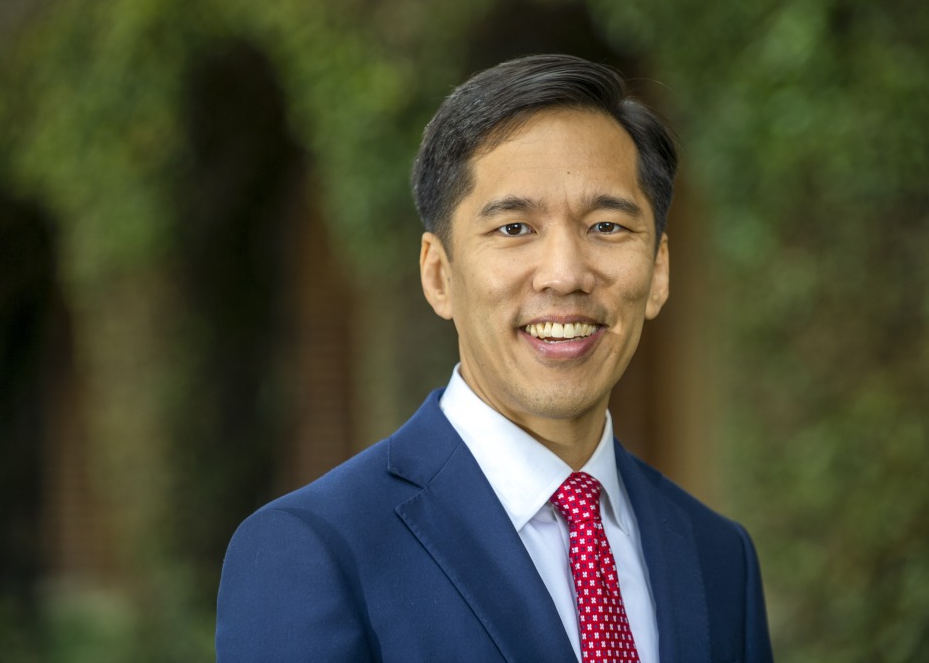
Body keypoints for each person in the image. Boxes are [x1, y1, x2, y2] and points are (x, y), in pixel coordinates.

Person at [216, 54, 774, 663]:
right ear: (438, 275)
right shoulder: (313, 551)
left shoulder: (719, 557)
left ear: (659, 271)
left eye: (608, 226)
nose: (565, 274)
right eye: (514, 228)